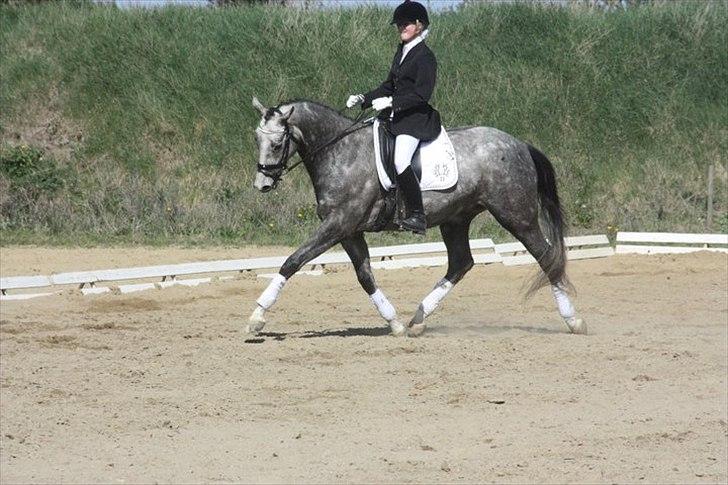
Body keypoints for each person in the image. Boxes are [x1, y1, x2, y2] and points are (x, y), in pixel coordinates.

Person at [346, 0, 441, 235]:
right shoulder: (402, 51)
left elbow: (422, 94)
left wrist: (391, 103)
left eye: (406, 23)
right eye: (399, 24)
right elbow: (389, 85)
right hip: (396, 117)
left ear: (419, 25)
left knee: (400, 160)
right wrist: (363, 98)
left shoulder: (425, 57)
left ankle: (417, 215)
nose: (401, 27)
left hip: (416, 119)